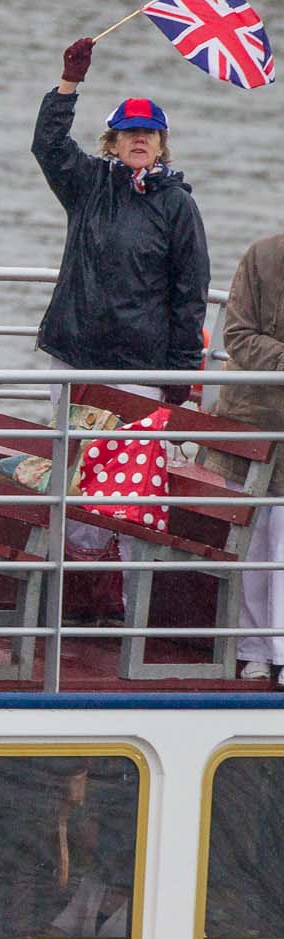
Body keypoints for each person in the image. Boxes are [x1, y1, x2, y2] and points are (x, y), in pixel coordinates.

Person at [32, 38, 210, 395]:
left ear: (161, 145)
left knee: (128, 452)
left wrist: (180, 376)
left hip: (140, 368)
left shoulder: (178, 206)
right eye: (130, 132)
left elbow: (190, 294)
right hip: (74, 356)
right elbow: (48, 145)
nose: (139, 139)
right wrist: (69, 83)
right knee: (70, 451)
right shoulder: (88, 184)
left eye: (149, 133)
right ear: (112, 142)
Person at [217, 231, 284, 684]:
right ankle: (256, 649)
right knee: (258, 544)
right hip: (255, 420)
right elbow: (237, 336)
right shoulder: (261, 255)